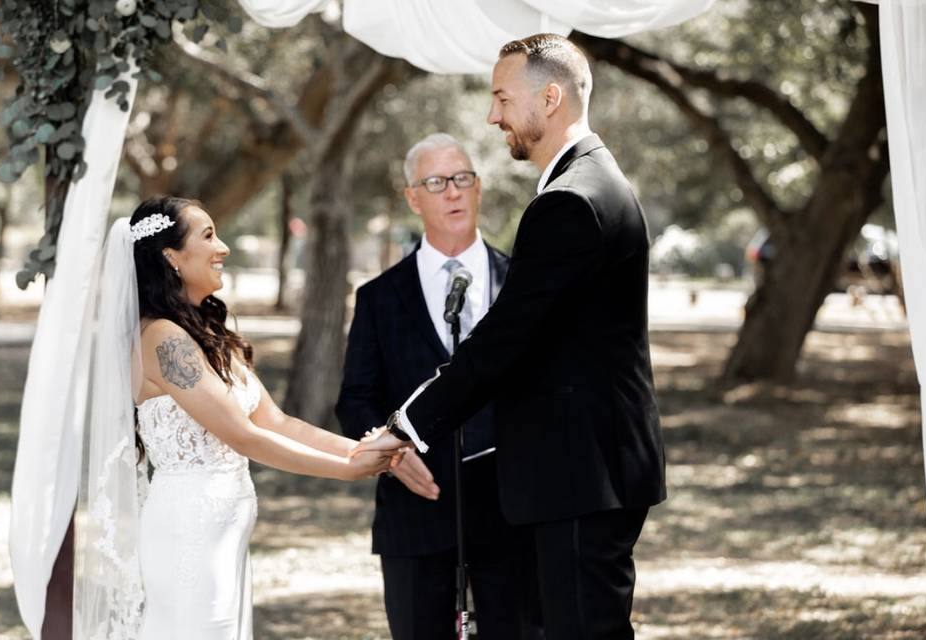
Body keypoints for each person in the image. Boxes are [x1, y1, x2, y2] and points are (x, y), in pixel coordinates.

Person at [353, 34, 667, 639]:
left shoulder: (570, 201)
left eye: (501, 98)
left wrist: (407, 426)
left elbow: (505, 341)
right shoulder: (591, 181)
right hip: (591, 469)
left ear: (550, 98)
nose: (492, 116)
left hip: (581, 471)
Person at [77, 196, 398, 640]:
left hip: (223, 532)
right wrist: (346, 470)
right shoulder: (163, 339)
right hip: (189, 533)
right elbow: (244, 436)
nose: (223, 247)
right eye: (208, 235)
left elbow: (277, 422)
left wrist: (364, 447)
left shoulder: (209, 332)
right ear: (171, 257)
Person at [337, 133, 538, 639]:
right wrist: (393, 455)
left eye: (462, 179)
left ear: (478, 188)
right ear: (412, 197)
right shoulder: (379, 297)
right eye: (436, 182)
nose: (452, 192)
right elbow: (355, 399)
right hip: (415, 512)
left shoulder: (523, 284)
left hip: (512, 513)